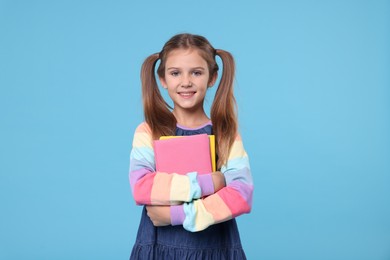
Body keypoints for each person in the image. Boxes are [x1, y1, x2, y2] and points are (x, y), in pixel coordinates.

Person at [128, 33, 253, 259]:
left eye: (196, 72)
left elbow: (241, 194)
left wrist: (178, 214)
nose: (186, 81)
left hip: (214, 248)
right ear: (163, 79)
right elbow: (142, 187)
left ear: (212, 77)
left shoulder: (226, 134)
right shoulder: (148, 131)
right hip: (160, 249)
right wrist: (210, 182)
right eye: (175, 73)